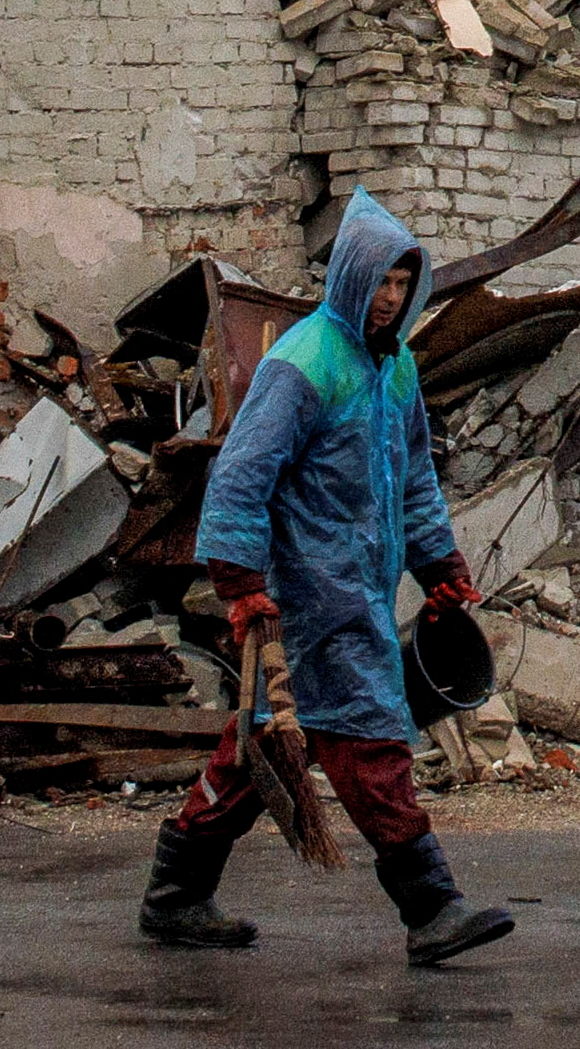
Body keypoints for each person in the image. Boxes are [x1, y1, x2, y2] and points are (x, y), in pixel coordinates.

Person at [138, 190, 515, 966]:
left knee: (263, 748)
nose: (390, 299)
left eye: (404, 285)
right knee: (369, 735)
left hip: (359, 585)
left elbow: (413, 480)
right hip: (310, 596)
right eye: (380, 282)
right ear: (350, 276)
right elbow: (241, 477)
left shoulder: (397, 366)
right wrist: (240, 582)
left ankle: (175, 896)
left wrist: (439, 566)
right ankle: (432, 908)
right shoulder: (306, 361)